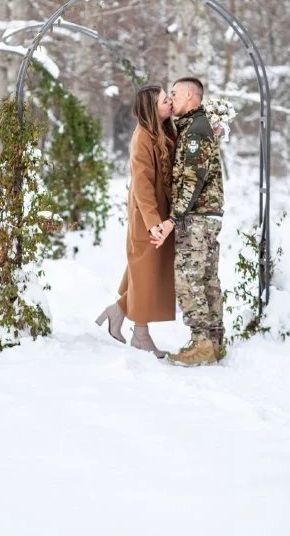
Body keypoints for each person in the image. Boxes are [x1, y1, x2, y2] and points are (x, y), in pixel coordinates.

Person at [96, 85, 176, 357]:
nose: (171, 103)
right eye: (166, 100)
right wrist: (153, 221)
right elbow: (141, 184)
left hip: (160, 215)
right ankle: (140, 336)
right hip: (146, 216)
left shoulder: (164, 130)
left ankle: (117, 312)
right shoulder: (142, 137)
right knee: (145, 274)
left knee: (145, 271)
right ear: (152, 108)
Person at [151, 77, 225, 366]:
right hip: (207, 215)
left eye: (175, 94)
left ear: (191, 95)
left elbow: (192, 181)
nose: (171, 99)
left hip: (196, 217)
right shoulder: (196, 126)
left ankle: (201, 344)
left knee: (188, 280)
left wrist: (173, 219)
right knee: (207, 279)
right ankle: (214, 342)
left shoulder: (195, 132)